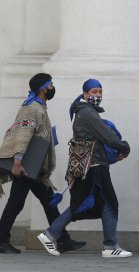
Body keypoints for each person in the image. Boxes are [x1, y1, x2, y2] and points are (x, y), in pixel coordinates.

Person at [37, 79, 132, 258]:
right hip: (94, 166)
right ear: (86, 94)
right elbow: (107, 136)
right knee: (106, 203)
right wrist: (124, 147)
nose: (97, 95)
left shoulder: (84, 112)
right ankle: (108, 245)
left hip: (90, 165)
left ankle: (109, 245)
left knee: (98, 203)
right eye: (94, 92)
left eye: (100, 92)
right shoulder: (88, 113)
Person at [0, 73, 86, 254]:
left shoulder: (39, 106)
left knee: (48, 201)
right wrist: (17, 162)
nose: (52, 88)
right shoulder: (31, 108)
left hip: (34, 167)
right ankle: (2, 239)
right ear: (43, 88)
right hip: (26, 167)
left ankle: (61, 238)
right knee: (17, 203)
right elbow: (23, 135)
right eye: (50, 85)